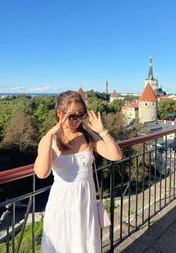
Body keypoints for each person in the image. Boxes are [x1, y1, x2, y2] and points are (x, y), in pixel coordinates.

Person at [34, 90, 122, 253]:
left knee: (84, 244)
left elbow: (115, 155)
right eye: (72, 116)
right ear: (60, 113)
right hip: (62, 203)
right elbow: (41, 173)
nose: (78, 120)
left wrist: (102, 131)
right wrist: (49, 135)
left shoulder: (87, 136)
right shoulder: (50, 140)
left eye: (81, 114)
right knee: (62, 244)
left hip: (85, 201)